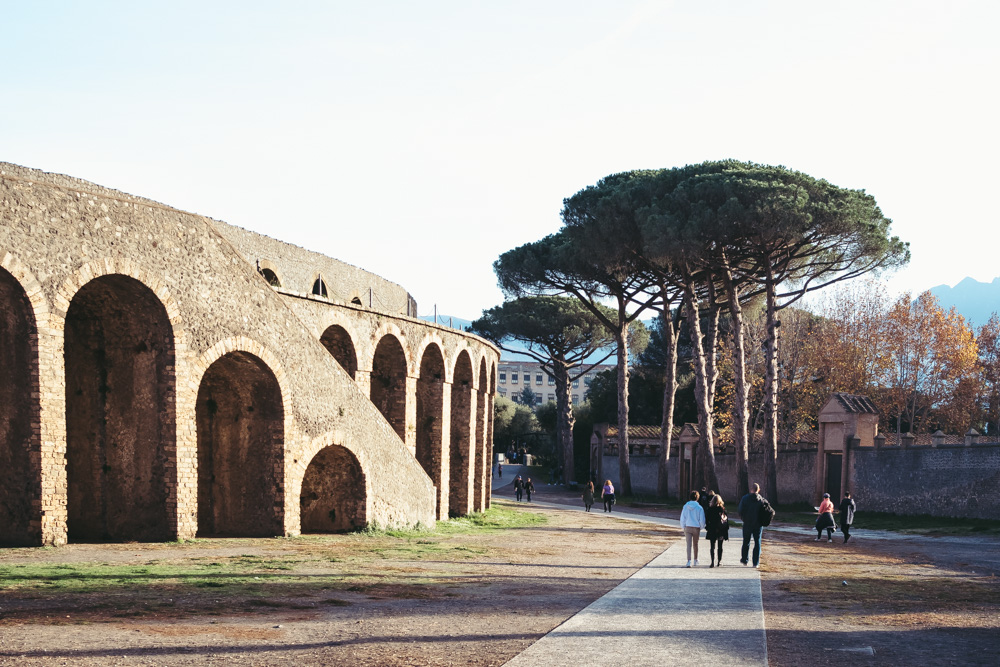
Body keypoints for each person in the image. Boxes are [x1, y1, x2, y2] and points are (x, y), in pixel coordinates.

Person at [737, 483, 768, 568]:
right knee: (757, 542)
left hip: (747, 523)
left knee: (746, 542)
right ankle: (755, 562)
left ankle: (744, 560)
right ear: (758, 490)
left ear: (751, 489)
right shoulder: (761, 500)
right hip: (758, 524)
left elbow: (740, 510)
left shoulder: (745, 498)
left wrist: (744, 518)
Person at [680, 491, 707, 567]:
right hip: (696, 527)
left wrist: (683, 526)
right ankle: (695, 559)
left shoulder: (685, 506)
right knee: (696, 544)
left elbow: (683, 517)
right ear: (697, 498)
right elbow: (702, 519)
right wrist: (701, 527)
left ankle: (688, 561)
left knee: (688, 544)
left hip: (688, 526)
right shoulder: (699, 508)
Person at [705, 493, 729, 568]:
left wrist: (708, 527)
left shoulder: (709, 509)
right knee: (720, 546)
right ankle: (719, 561)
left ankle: (712, 561)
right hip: (720, 530)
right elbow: (726, 521)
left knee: (712, 546)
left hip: (712, 529)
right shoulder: (722, 510)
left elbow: (706, 520)